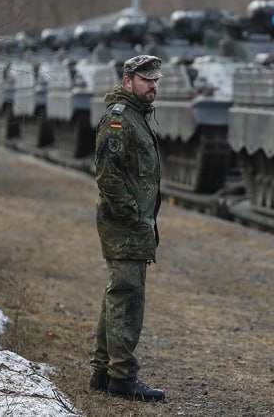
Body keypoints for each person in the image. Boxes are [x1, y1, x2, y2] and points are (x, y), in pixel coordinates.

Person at [89, 55, 165, 402]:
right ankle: (122, 377)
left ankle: (103, 371)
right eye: (146, 79)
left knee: (118, 292)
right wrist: (133, 215)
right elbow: (108, 175)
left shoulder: (136, 116)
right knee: (127, 296)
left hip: (131, 222)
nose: (152, 85)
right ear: (128, 79)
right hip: (125, 224)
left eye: (155, 80)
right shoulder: (120, 119)